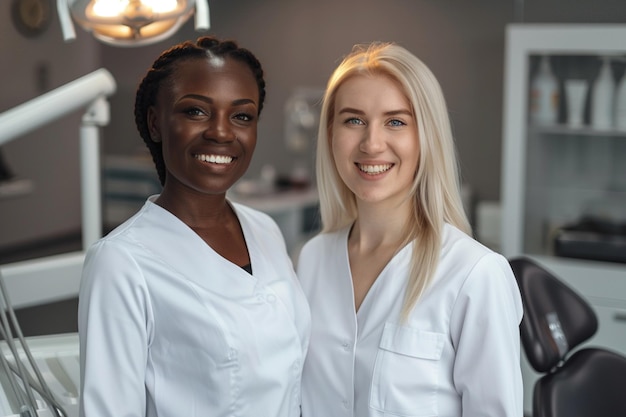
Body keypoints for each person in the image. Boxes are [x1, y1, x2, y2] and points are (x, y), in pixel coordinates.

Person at [78, 36, 310, 417]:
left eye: (242, 116)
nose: (221, 132)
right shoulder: (120, 264)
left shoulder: (264, 229)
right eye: (196, 111)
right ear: (156, 123)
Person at [297, 42, 523, 417]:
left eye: (396, 122)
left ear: (426, 138)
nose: (371, 143)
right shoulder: (312, 260)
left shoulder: (475, 275)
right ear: (330, 135)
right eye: (353, 120)